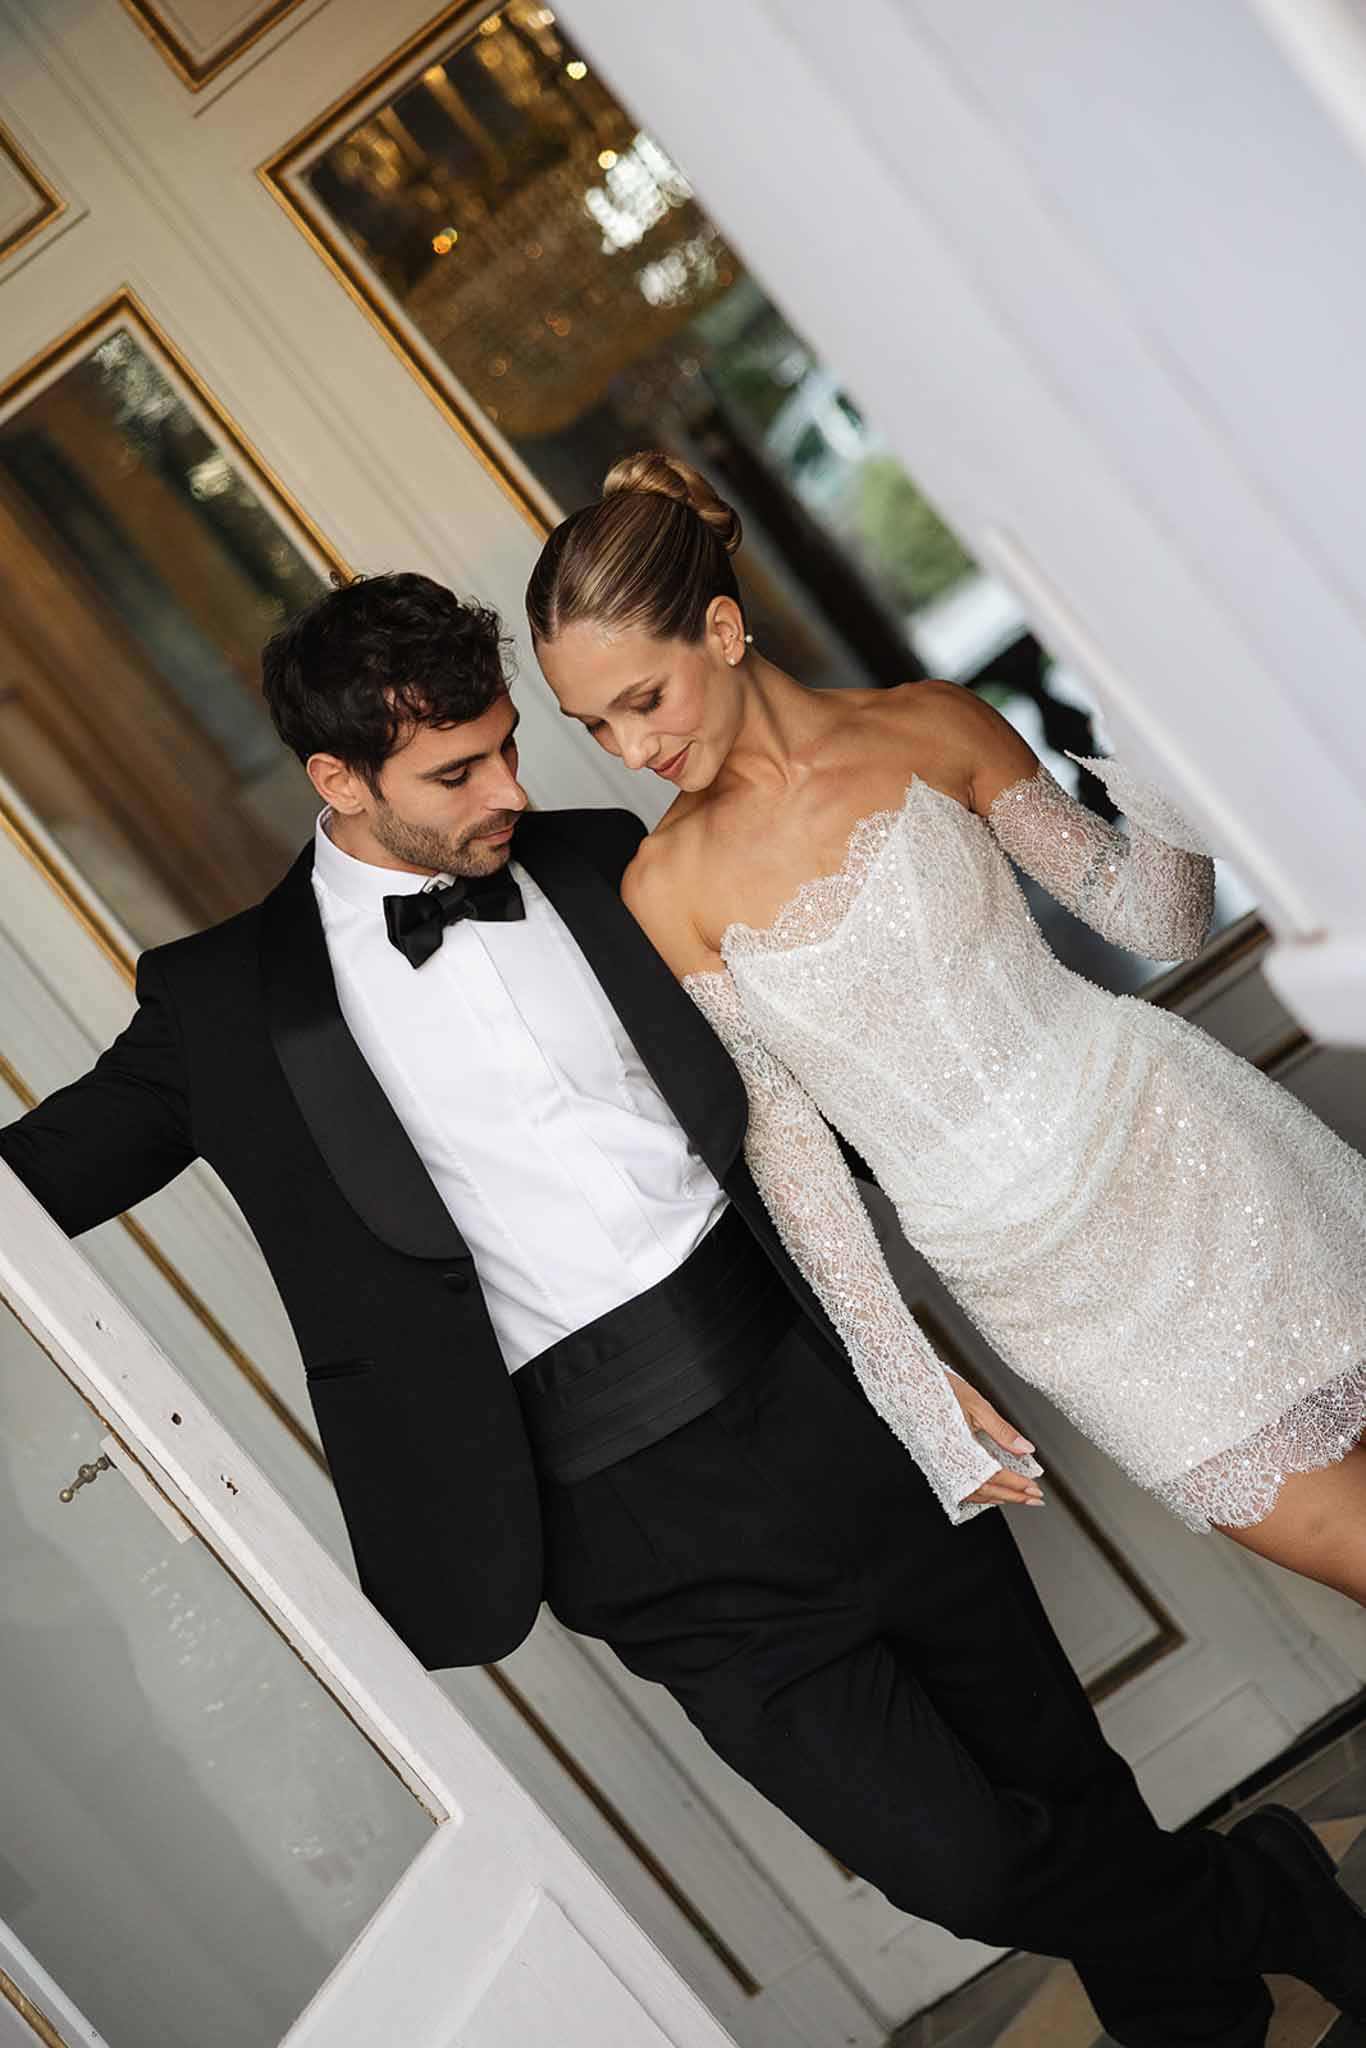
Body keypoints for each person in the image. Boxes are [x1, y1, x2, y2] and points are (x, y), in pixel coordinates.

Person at [1, 572, 1360, 2047]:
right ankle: (1264, 1899)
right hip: (618, 1510)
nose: (510, 791)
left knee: (1055, 1769)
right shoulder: (220, 1006)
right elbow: (43, 1174)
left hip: (814, 1384)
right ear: (338, 780)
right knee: (957, 1861)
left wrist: (908, 1349)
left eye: (508, 745)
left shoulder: (609, 863)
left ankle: (1198, 2019)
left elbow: (805, 1091)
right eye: (457, 773)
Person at [529, 451, 1366, 1610]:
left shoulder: (931, 725)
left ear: (720, 630)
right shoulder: (664, 887)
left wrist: (1148, 742)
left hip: (1188, 1148)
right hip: (1038, 1281)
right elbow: (790, 1149)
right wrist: (905, 1380)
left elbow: (1156, 919)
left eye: (643, 701)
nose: (630, 750)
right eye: (594, 726)